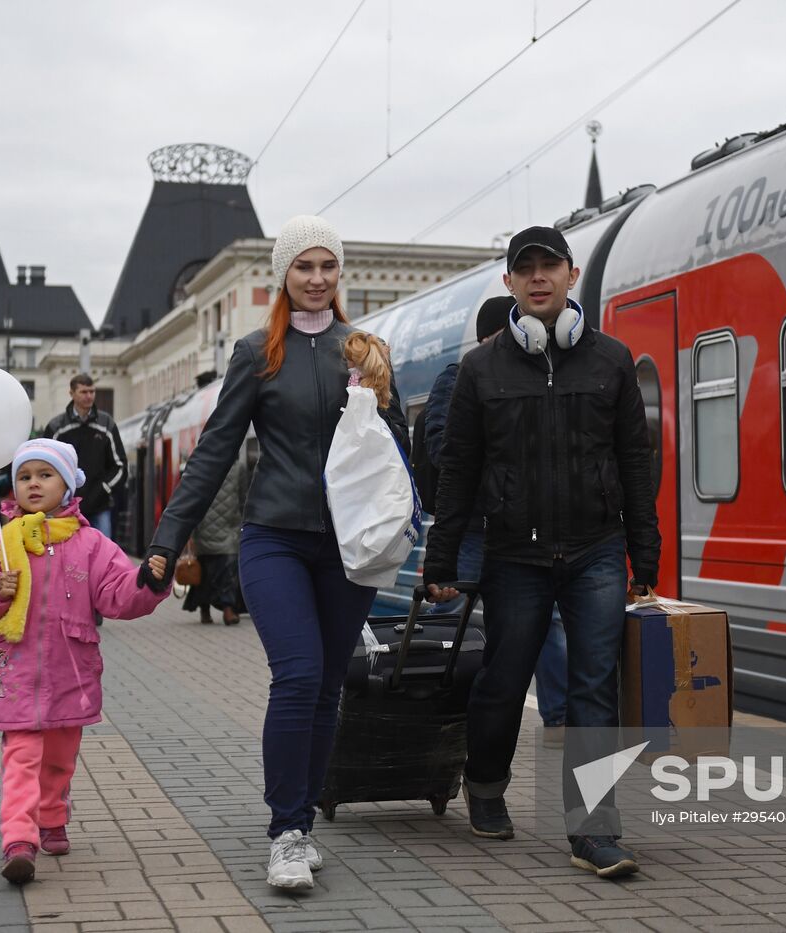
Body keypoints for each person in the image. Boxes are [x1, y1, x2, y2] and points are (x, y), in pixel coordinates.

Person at [136, 215, 409, 891]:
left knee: (324, 688)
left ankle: (304, 823)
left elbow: (399, 458)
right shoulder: (258, 352)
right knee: (296, 675)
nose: (317, 279)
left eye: (328, 267)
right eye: (304, 267)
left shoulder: (365, 350)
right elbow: (215, 451)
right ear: (283, 275)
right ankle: (285, 831)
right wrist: (169, 539)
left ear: (338, 275)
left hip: (349, 548)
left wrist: (426, 539)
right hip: (274, 537)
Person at [423, 226, 660, 879]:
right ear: (509, 284)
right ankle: (488, 780)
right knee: (503, 680)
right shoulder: (481, 369)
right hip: (514, 555)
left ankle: (593, 830)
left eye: (548, 265)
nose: (537, 277)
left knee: (593, 688)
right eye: (523, 268)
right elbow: (459, 469)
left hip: (596, 549)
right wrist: (440, 560)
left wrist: (646, 551)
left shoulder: (611, 361)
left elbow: (635, 463)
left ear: (570, 274)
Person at [0, 438, 169, 885]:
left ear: (67, 485)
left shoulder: (92, 545)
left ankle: (52, 817)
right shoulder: (1, 544)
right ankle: (19, 840)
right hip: (14, 672)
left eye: (45, 475)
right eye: (24, 477)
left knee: (59, 759)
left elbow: (115, 595)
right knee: (22, 756)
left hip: (71, 671)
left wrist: (147, 583)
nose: (33, 484)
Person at [423, 296, 571, 742]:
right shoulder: (457, 380)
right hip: (470, 533)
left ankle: (560, 717)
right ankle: (439, 711)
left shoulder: (540, 377)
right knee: (451, 619)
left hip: (521, 531)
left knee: (543, 621)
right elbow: (441, 449)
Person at [43, 374, 127, 539]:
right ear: (72, 393)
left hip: (100, 505)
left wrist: (104, 489)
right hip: (65, 508)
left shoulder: (106, 424)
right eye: (83, 392)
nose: (89, 396)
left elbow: (120, 465)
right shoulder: (56, 427)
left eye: (92, 391)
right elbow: (45, 465)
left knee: (103, 554)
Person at [182, 455, 249, 625]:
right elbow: (244, 499)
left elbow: (191, 500)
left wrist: (190, 531)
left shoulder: (200, 464)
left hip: (204, 527)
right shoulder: (239, 468)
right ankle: (228, 609)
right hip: (229, 527)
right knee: (227, 569)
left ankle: (206, 610)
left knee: (205, 570)